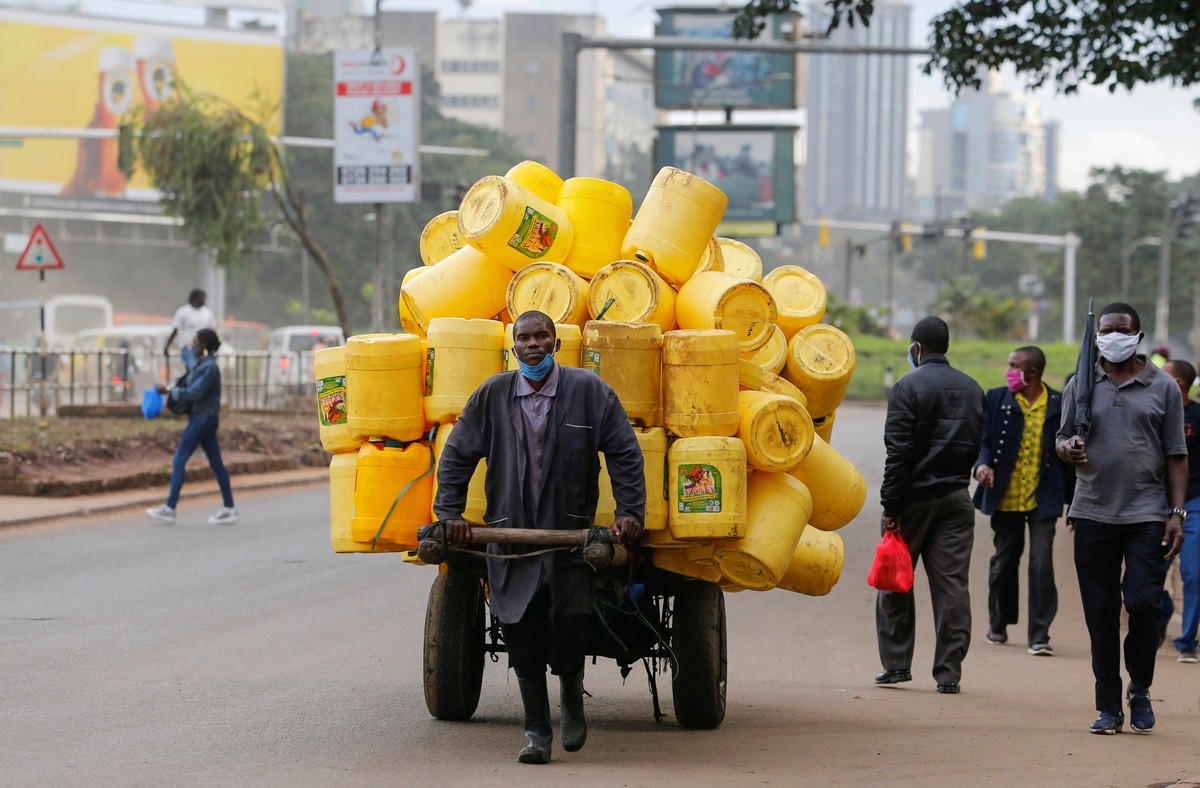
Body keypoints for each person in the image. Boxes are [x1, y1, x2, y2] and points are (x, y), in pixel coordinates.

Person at [433, 310, 646, 765]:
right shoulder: (492, 395)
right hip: (510, 538)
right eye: (524, 338)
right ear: (514, 347)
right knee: (520, 633)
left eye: (541, 336)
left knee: (569, 626)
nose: (533, 344)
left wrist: (630, 513)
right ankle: (536, 731)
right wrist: (448, 513)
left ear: (555, 343)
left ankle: (571, 698)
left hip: (570, 538)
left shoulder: (589, 392)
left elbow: (626, 451)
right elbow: (457, 455)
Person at [1055, 302, 1185, 735]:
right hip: (1092, 510)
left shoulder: (1162, 386)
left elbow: (1176, 455)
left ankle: (1140, 687)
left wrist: (1177, 512)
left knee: (1144, 604)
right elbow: (1061, 438)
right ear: (1096, 337)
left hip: (1147, 511)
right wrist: (1068, 448)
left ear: (1138, 336)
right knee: (1101, 612)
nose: (1113, 336)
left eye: (1121, 330)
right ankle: (1108, 704)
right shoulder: (1081, 383)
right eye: (1105, 330)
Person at [876, 316, 984, 694]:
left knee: (895, 580)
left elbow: (898, 453)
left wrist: (891, 505)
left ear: (916, 347)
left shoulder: (907, 386)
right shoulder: (972, 389)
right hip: (956, 497)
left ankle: (896, 665)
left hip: (912, 501)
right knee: (953, 586)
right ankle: (949, 672)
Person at [972, 346, 1073, 656]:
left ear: (1033, 373)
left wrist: (1075, 502)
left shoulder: (1057, 403)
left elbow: (1070, 454)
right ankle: (999, 624)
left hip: (1045, 496)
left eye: (1015, 366)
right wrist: (982, 465)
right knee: (1003, 562)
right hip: (1005, 495)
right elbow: (984, 441)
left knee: (1041, 564)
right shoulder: (997, 398)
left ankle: (1039, 635)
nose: (1009, 371)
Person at [146, 328, 238, 525]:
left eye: (196, 341)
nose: (193, 345)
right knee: (216, 463)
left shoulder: (210, 368)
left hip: (202, 419)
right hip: (206, 418)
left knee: (180, 458)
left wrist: (171, 390)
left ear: (203, 345)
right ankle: (229, 507)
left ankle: (170, 508)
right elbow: (188, 360)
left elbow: (195, 392)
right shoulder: (203, 364)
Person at [1159, 359, 1199, 663]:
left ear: (1179, 384)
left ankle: (1186, 641)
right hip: (1153, 504)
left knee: (1193, 574)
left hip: (1194, 503)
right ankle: (1159, 618)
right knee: (1148, 576)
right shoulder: (1153, 410)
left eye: (1165, 376)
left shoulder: (1197, 416)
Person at [165, 289, 216, 373]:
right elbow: (176, 330)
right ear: (195, 298)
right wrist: (167, 346)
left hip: (203, 348)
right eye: (202, 297)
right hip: (188, 347)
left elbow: (212, 331)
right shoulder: (183, 312)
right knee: (194, 368)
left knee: (204, 370)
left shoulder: (208, 313)